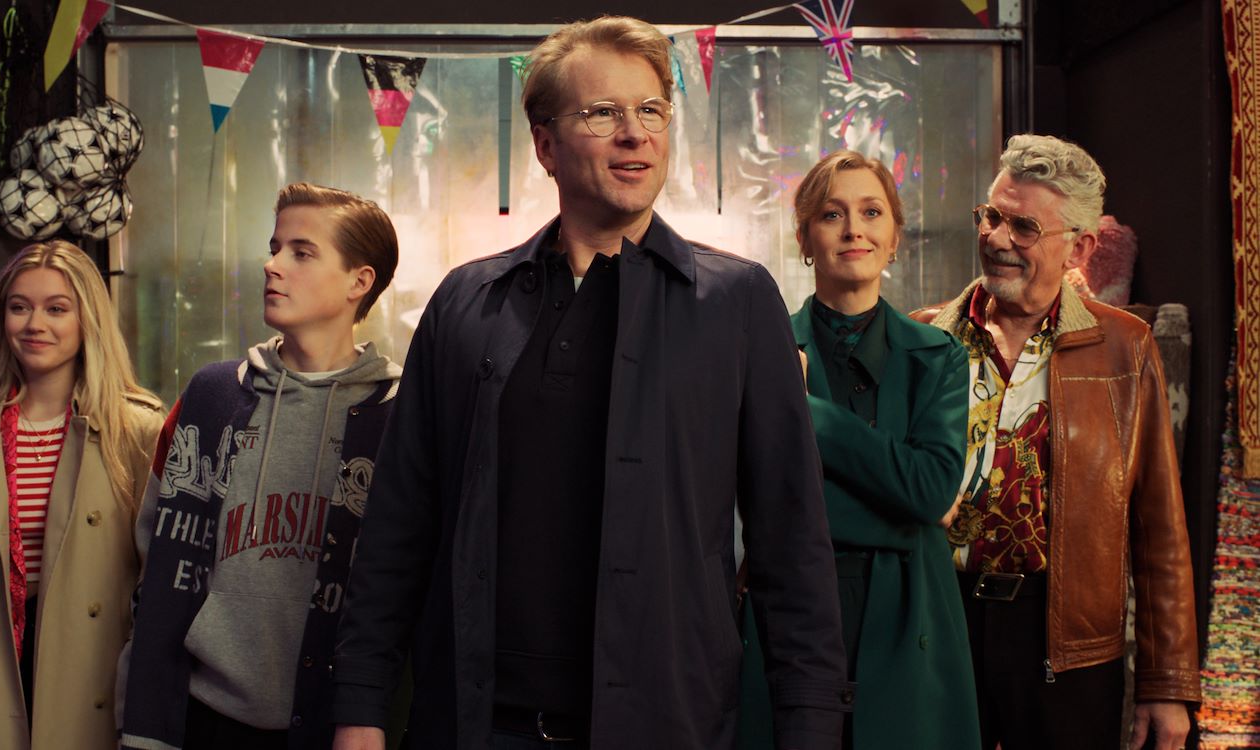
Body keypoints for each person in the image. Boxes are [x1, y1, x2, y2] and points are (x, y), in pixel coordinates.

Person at [330, 16, 850, 750]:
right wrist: (360, 706)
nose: (635, 134)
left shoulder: (736, 302)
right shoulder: (466, 304)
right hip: (478, 725)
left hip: (667, 727)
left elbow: (791, 537)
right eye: (603, 112)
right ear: (545, 145)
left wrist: (812, 725)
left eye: (651, 111)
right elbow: (399, 523)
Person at [911, 134, 1201, 750]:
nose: (996, 238)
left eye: (1024, 227)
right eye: (991, 216)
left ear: (1081, 246)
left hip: (1067, 647)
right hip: (937, 623)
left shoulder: (1125, 347)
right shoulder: (924, 337)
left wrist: (1166, 683)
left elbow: (1159, 527)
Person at [118, 183, 402, 750]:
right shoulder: (212, 395)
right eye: (274, 248)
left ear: (359, 281)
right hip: (205, 718)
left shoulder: (398, 414)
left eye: (302, 252)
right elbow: (156, 559)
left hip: (336, 723)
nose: (272, 265)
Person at [740, 151, 980, 750]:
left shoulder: (938, 356)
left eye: (872, 212)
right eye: (832, 214)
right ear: (804, 238)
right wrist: (903, 518)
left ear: (894, 237)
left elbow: (930, 490)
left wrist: (806, 412)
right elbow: (761, 503)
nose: (854, 229)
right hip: (788, 617)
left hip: (912, 623)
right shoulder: (758, 350)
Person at [0, 240, 166, 749]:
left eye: (56, 309)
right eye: (19, 307)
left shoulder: (136, 428)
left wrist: (144, 682)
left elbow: (159, 577)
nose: (34, 324)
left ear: (88, 319)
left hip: (98, 679)